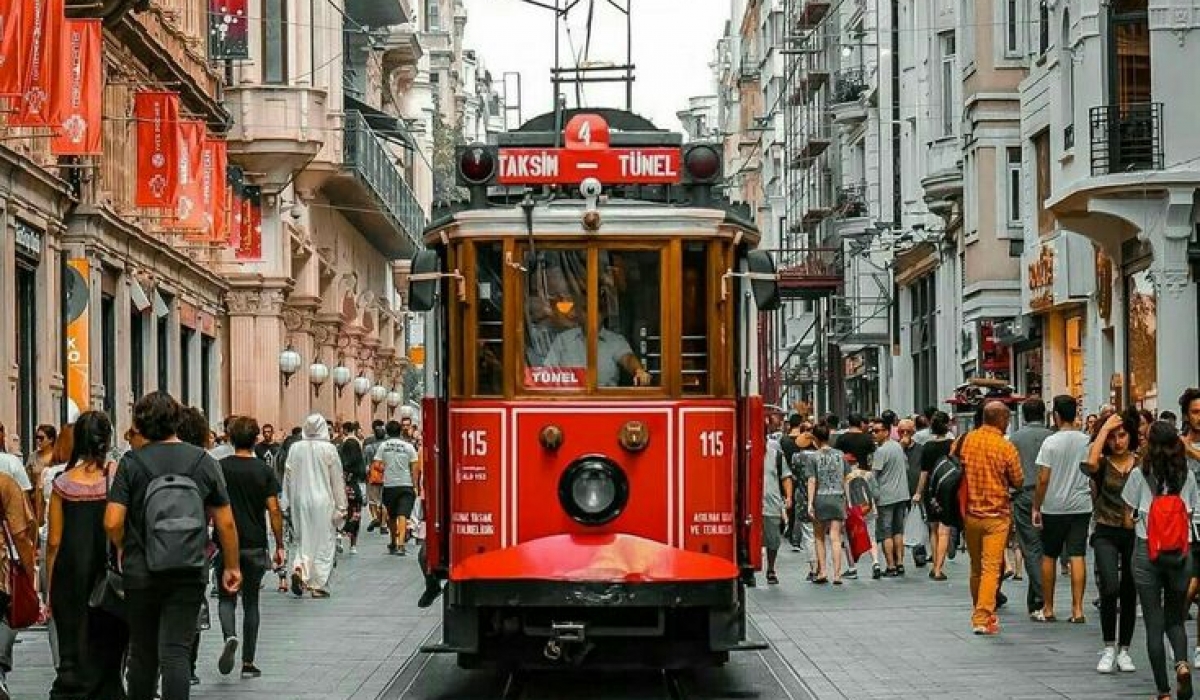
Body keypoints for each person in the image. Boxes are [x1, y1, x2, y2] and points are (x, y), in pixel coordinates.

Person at [104, 391, 242, 700]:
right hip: (188, 569)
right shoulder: (203, 460)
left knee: (142, 652)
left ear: (140, 423)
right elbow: (226, 522)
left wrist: (124, 548)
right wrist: (231, 566)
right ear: (176, 422)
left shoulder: (131, 463)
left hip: (141, 570)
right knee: (176, 652)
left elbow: (113, 520)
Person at [46, 410, 127, 700]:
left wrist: (48, 587)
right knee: (108, 647)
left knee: (73, 645)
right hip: (106, 576)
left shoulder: (62, 483)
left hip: (70, 575)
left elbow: (54, 541)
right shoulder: (116, 476)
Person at [1124, 421, 1199, 700]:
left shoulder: (1139, 474)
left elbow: (1127, 515)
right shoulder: (1187, 475)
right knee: (1176, 619)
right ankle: (1181, 664)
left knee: (1153, 623)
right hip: (1180, 552)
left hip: (1147, 551)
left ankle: (1164, 692)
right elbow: (1193, 514)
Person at [216, 416, 284, 679]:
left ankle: (229, 635)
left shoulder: (219, 468)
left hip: (226, 542)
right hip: (255, 543)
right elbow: (274, 510)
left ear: (231, 438)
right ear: (256, 439)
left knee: (226, 597)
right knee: (252, 602)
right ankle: (248, 661)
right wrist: (279, 544)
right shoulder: (263, 470)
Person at [1082, 410, 1140, 675]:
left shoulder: (1141, 463)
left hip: (1135, 533)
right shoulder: (1103, 463)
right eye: (1113, 437)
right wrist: (1103, 429)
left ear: (1131, 436)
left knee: (1130, 588)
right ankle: (1108, 647)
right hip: (1105, 529)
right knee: (1110, 586)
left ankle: (1124, 649)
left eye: (1123, 435)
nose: (1118, 441)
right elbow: (1089, 463)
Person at [959, 401, 1023, 635]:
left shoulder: (966, 440)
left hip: (970, 514)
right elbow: (1018, 480)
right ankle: (982, 617)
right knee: (991, 568)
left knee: (976, 567)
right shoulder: (1006, 447)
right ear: (1002, 419)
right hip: (997, 515)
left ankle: (979, 608)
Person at [1032, 395, 1093, 623]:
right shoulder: (1086, 441)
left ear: (1056, 416)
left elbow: (1043, 478)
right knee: (1077, 554)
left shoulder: (1051, 442)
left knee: (1050, 555)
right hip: (1081, 504)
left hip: (1054, 506)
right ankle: (1078, 610)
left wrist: (1037, 506)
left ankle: (1048, 608)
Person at [281, 415, 347, 597]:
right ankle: (318, 585)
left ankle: (299, 569)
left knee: (303, 539)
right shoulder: (329, 449)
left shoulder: (295, 448)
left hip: (299, 500)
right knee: (324, 541)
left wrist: (285, 502)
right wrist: (342, 507)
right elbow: (337, 480)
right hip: (323, 501)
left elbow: (287, 476)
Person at [1009, 398, 1053, 617]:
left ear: (1023, 415)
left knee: (1031, 547)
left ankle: (1043, 597)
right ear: (1044, 414)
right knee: (1045, 547)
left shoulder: (1014, 438)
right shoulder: (1052, 437)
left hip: (1025, 494)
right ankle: (1035, 600)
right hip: (1052, 496)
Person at [802, 424, 850, 585]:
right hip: (837, 497)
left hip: (820, 498)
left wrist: (810, 503)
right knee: (836, 537)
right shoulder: (840, 455)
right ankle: (837, 575)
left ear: (815, 438)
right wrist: (847, 499)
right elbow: (847, 478)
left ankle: (822, 571)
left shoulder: (813, 457)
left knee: (819, 537)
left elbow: (812, 480)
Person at [914, 410, 955, 581]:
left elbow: (923, 472)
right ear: (947, 426)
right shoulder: (953, 445)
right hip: (949, 488)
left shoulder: (928, 447)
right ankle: (939, 567)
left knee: (933, 528)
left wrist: (918, 492)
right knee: (945, 528)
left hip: (931, 490)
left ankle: (934, 564)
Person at [371, 421, 421, 556]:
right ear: (399, 431)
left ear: (387, 431)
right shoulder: (409, 446)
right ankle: (401, 544)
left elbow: (376, 464)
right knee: (403, 514)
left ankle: (393, 541)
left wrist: (387, 468)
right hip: (406, 484)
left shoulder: (383, 446)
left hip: (389, 485)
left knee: (392, 515)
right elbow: (415, 468)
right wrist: (416, 486)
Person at [761, 429, 793, 585]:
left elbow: (785, 477)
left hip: (771, 503)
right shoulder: (744, 451)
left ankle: (771, 568)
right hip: (749, 507)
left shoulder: (776, 454)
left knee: (773, 539)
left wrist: (788, 497)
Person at [338, 422, 365, 554]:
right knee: (355, 514)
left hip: (341, 487)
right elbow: (362, 471)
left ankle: (339, 536)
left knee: (341, 513)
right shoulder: (358, 446)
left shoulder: (342, 446)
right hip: (354, 486)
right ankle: (353, 545)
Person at [27, 424, 56, 523]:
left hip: (51, 499)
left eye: (41, 438)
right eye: (36, 437)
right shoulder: (33, 456)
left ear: (51, 439)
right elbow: (27, 478)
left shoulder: (57, 456)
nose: (38, 440)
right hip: (35, 500)